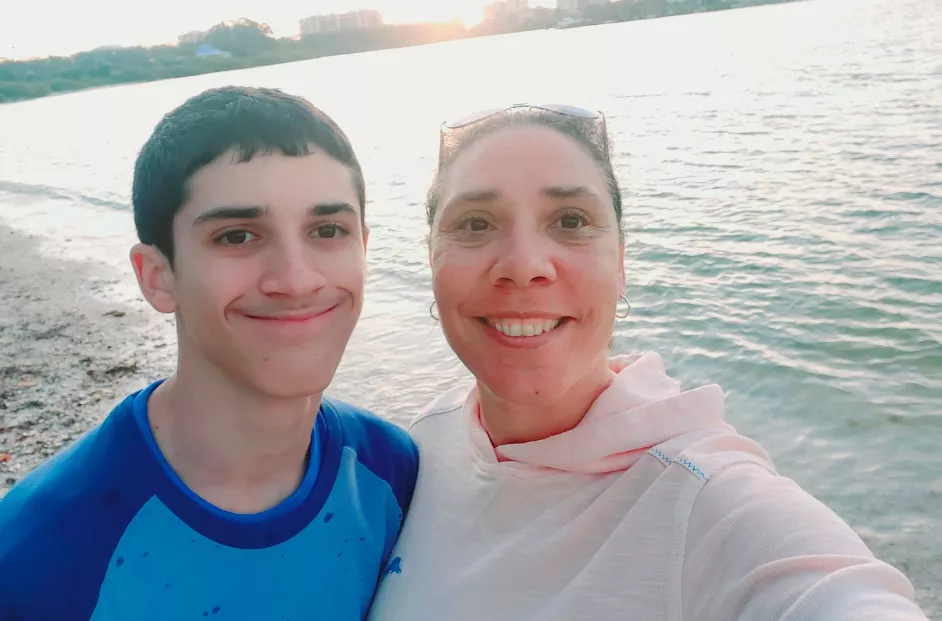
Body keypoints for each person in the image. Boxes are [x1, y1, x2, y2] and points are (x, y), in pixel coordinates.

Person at [367, 104, 927, 620]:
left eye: (569, 220)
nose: (524, 264)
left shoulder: (705, 501)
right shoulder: (421, 445)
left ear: (622, 263)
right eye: (475, 224)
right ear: (431, 261)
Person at [0, 86, 418, 620]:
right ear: (158, 277)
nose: (296, 278)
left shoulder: (392, 471)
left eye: (328, 230)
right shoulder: (35, 557)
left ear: (364, 248)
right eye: (238, 236)